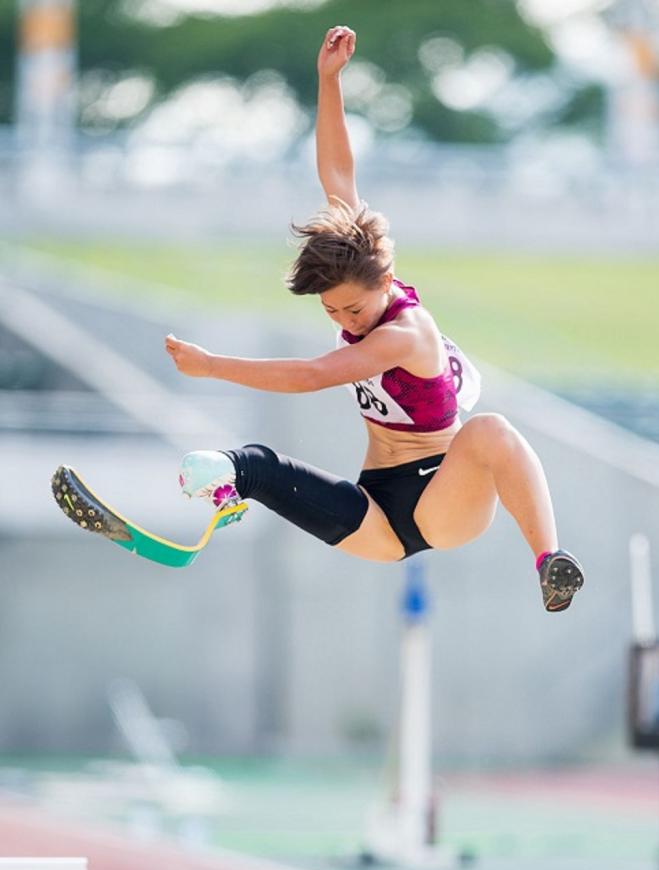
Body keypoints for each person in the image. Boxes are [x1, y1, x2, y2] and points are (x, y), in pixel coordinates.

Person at [165, 26, 584, 613]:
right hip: (376, 518)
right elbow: (338, 174)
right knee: (252, 463)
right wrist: (329, 81)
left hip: (443, 502)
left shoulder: (404, 334)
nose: (345, 320)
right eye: (330, 310)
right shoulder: (358, 264)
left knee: (490, 430)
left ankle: (549, 561)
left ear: (386, 284)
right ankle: (230, 487)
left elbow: (313, 375)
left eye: (353, 309)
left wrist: (212, 366)